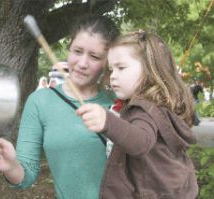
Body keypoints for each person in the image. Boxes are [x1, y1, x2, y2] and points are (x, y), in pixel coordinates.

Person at [0, 15, 119, 199]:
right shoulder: (40, 102)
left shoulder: (119, 104)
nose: (82, 63)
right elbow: (27, 174)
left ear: (107, 62)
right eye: (77, 51)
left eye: (94, 56)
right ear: (69, 48)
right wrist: (10, 166)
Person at [76, 30, 198, 198]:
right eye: (111, 70)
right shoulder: (157, 106)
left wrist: (107, 121)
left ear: (150, 69)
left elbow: (141, 142)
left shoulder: (144, 110)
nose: (113, 76)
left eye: (121, 68)